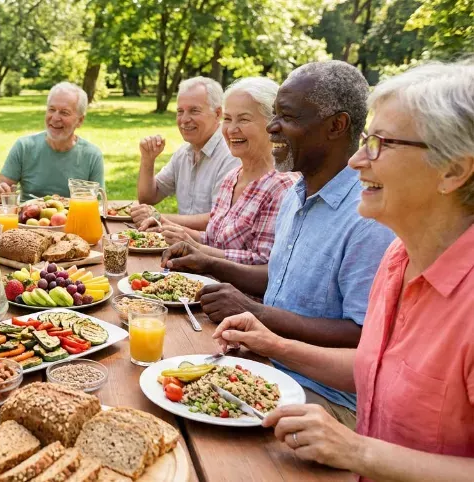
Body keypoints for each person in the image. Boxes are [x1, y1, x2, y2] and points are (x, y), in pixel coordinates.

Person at [213, 60, 474, 481]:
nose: (356, 161)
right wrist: (274, 344)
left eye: (381, 144)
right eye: (365, 140)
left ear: (454, 170)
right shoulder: (399, 261)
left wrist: (359, 451)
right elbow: (376, 367)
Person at [161, 61, 396, 426]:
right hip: (264, 362)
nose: (272, 127)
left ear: (337, 126)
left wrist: (259, 316)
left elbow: (362, 335)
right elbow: (280, 275)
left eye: (286, 116)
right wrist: (210, 264)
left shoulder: (369, 217)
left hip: (324, 399)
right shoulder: (297, 192)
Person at [142, 77, 298, 264]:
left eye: (244, 119)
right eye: (228, 119)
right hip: (204, 281)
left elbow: (264, 263)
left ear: (273, 125)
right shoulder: (232, 178)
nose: (231, 129)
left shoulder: (282, 186)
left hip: (236, 292)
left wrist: (196, 247)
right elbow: (213, 239)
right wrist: (170, 228)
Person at [132, 77, 240, 230]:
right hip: (182, 244)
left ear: (217, 113)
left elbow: (220, 219)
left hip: (210, 250)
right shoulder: (183, 152)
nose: (184, 119)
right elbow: (148, 197)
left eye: (194, 111)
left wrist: (159, 218)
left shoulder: (231, 154)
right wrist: (148, 160)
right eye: (180, 111)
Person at [0, 82, 103, 203]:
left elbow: (99, 203)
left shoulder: (92, 155)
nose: (55, 118)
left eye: (64, 112)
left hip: (74, 219)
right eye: (52, 110)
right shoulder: (24, 147)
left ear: (80, 120)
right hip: (27, 219)